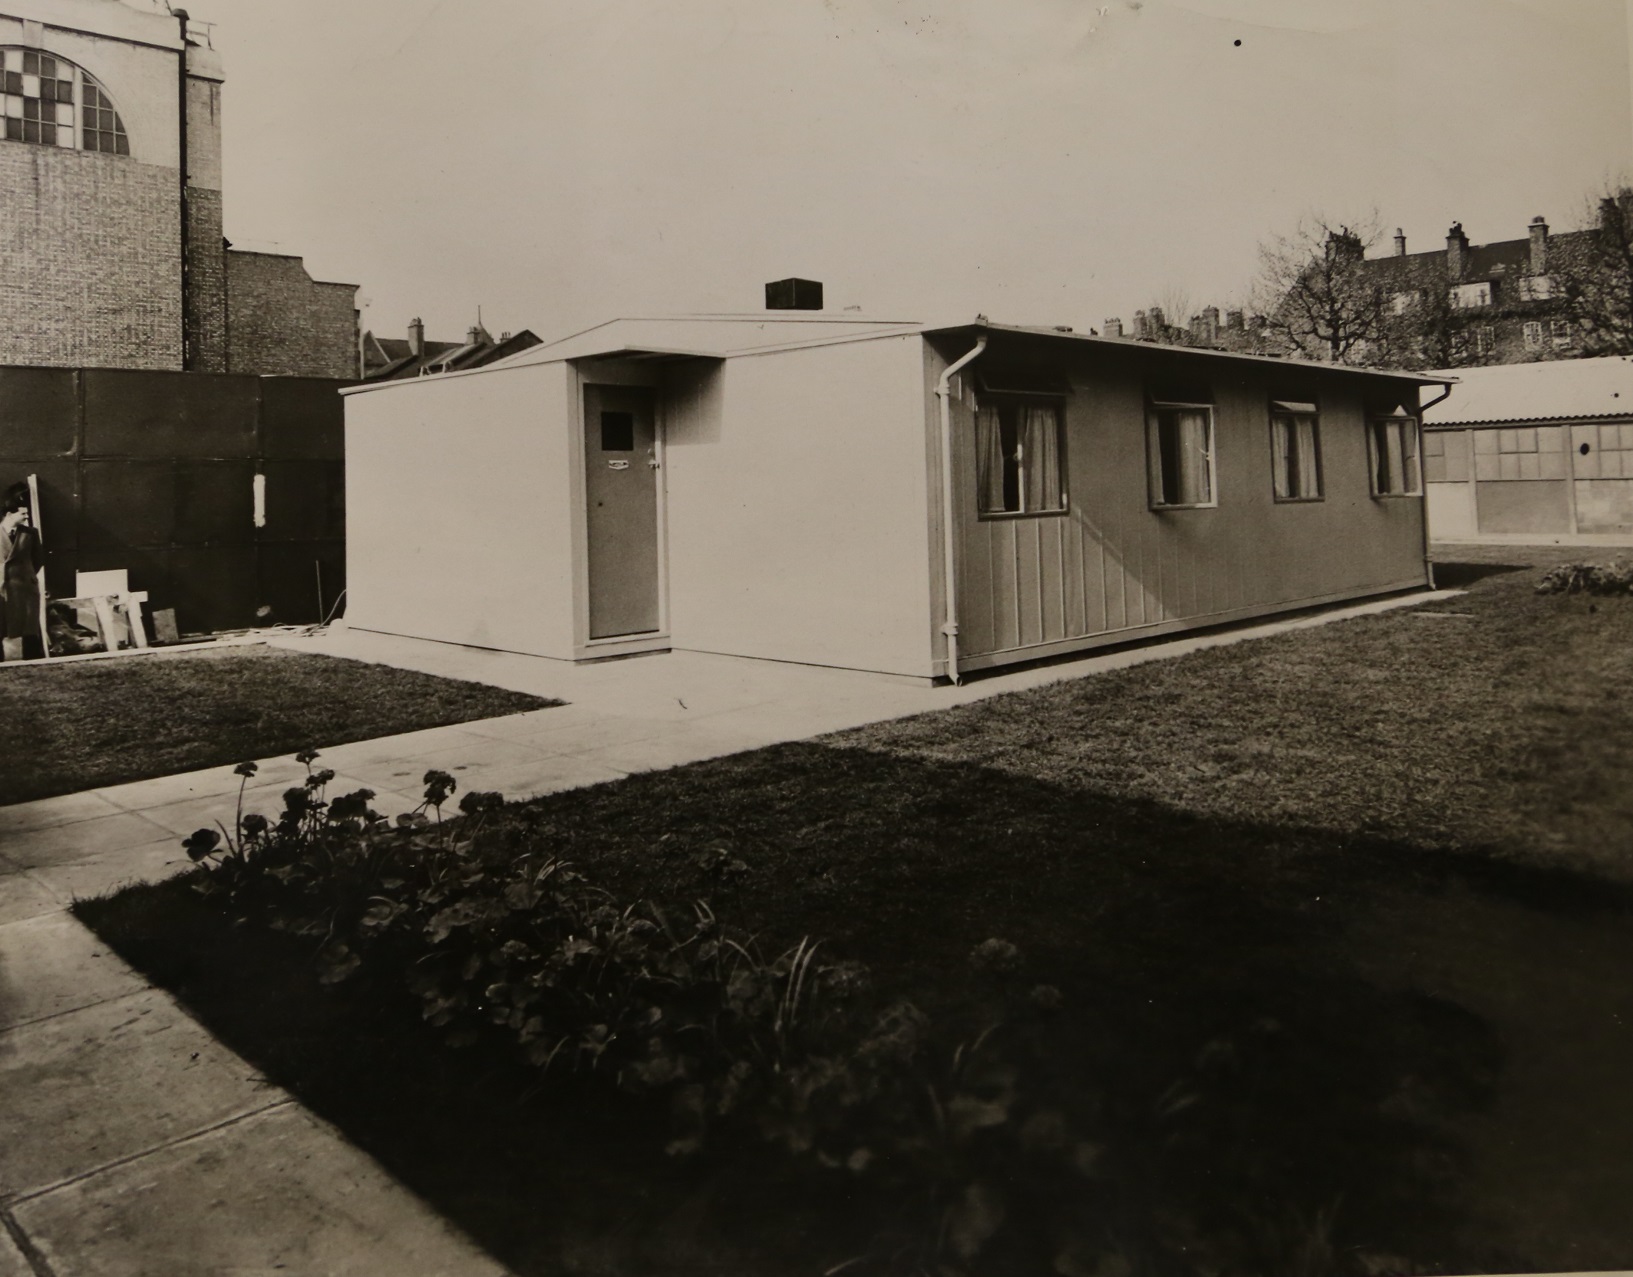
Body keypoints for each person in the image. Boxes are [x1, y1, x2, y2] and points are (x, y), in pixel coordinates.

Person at [1, 481, 44, 661]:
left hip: (24, 588)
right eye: (23, 513)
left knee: (28, 627)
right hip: (2, 588)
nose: (27, 516)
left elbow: (38, 559)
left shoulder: (30, 533)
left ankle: (33, 661)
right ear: (10, 514)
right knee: (1, 625)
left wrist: (24, 575)